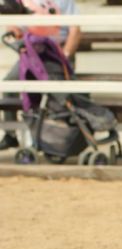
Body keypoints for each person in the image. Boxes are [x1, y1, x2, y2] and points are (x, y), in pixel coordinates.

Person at [1, 0, 80, 151]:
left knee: (53, 93)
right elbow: (13, 25)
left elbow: (75, 30)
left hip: (57, 55)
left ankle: (51, 139)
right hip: (33, 55)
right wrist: (15, 30)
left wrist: (64, 55)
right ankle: (10, 135)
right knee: (10, 83)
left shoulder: (65, 2)